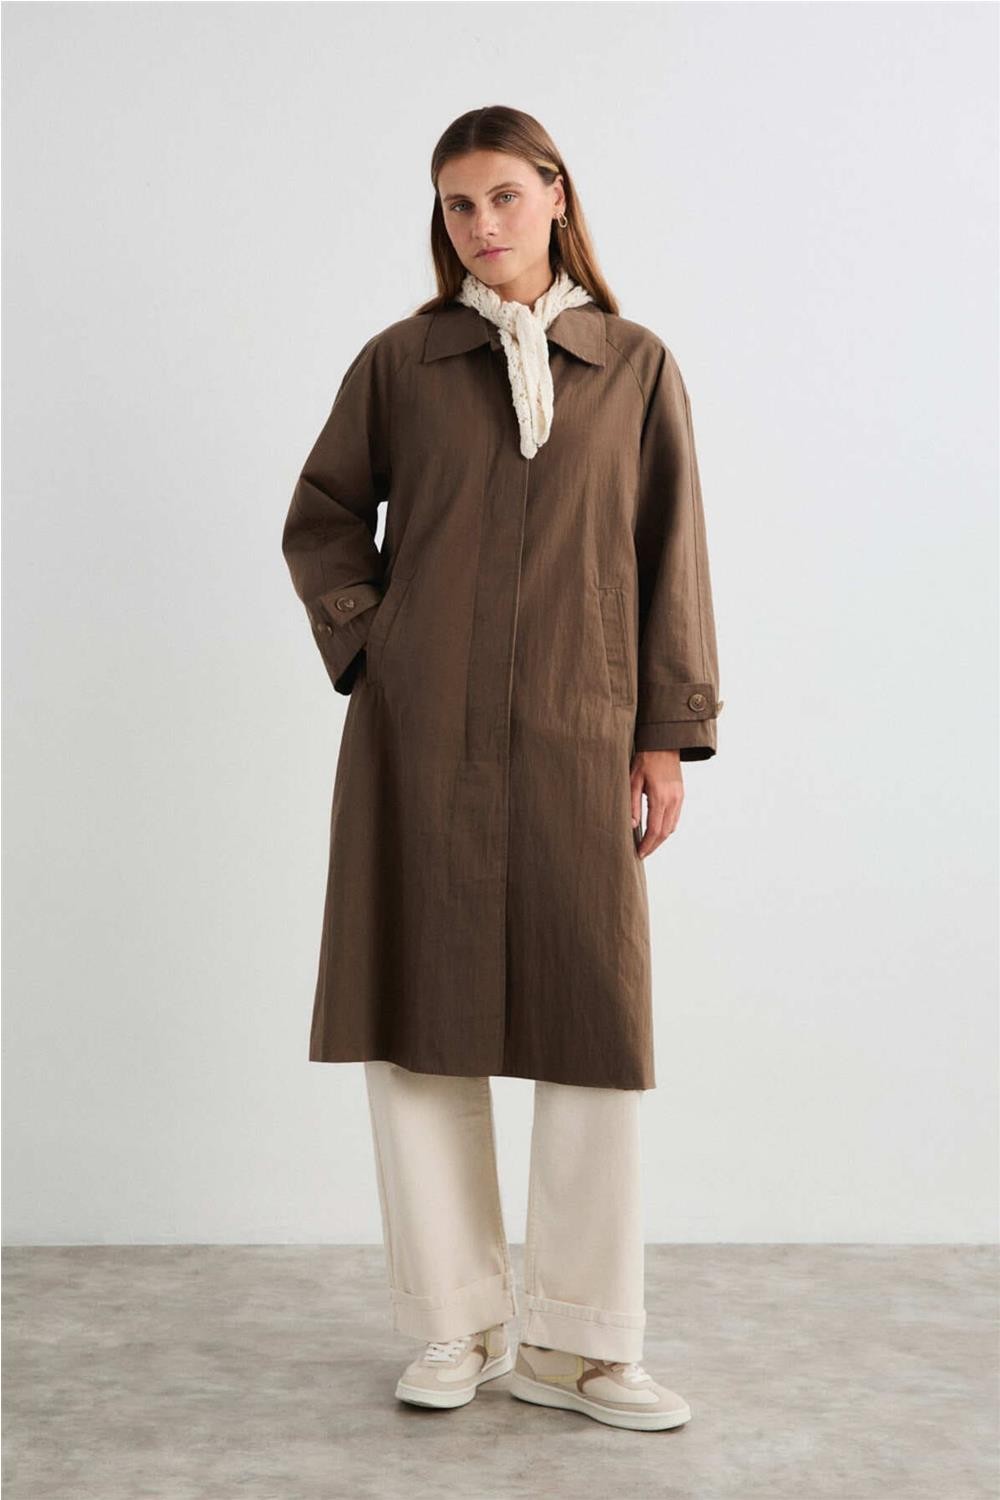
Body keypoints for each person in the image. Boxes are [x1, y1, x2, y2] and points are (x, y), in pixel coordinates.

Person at [281, 105, 722, 1433]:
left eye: (504, 197)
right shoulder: (400, 363)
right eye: (457, 205)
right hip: (418, 739)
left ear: (555, 195)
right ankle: (455, 1326)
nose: (482, 224)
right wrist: (379, 644)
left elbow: (672, 554)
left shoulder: (633, 365)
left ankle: (582, 1347)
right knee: (421, 1014)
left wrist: (664, 732)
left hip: (582, 734)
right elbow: (321, 518)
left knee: (595, 1021)